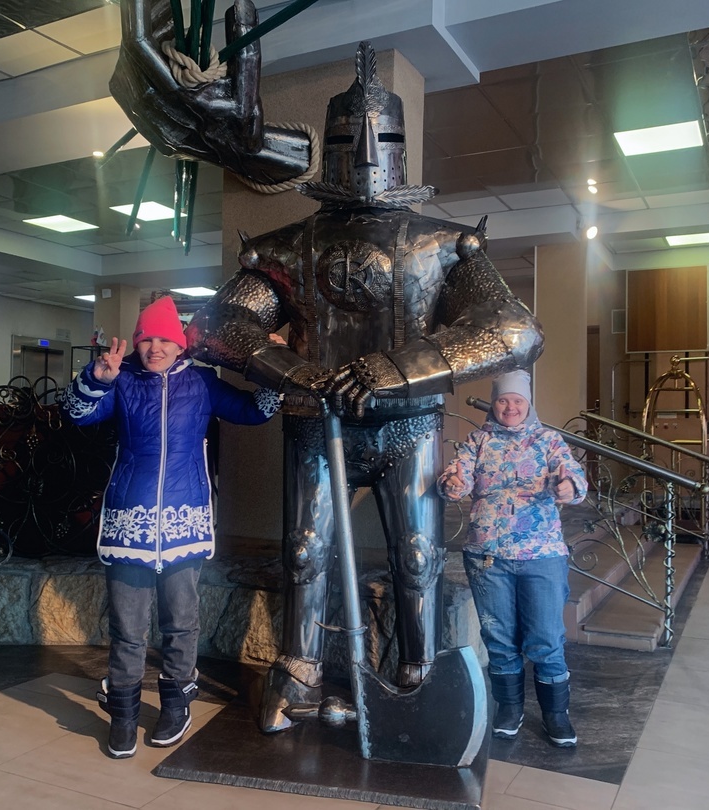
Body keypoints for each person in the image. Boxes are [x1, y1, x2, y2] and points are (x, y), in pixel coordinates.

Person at [111, 0, 544, 733]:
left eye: (383, 137)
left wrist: (400, 368)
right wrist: (294, 371)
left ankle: (417, 673)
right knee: (305, 552)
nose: (368, 152)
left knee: (416, 555)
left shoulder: (443, 245)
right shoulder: (288, 246)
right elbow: (221, 323)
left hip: (408, 423)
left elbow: (513, 329)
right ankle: (300, 669)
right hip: (317, 420)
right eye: (350, 137)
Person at [58, 296, 280, 759]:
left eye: (164, 339)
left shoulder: (202, 383)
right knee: (127, 627)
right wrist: (96, 379)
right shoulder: (122, 381)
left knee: (180, 623)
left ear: (180, 345)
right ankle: (123, 715)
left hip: (184, 520)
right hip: (129, 523)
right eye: (146, 340)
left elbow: (255, 410)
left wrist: (273, 366)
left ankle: (176, 706)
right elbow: (77, 413)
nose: (154, 348)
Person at [437, 370, 587, 747]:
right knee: (499, 638)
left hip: (541, 555)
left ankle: (556, 713)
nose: (510, 407)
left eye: (517, 400)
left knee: (546, 637)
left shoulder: (548, 440)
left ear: (528, 404)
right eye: (503, 400)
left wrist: (568, 486)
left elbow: (572, 473)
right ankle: (509, 707)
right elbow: (456, 476)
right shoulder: (478, 440)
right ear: (494, 403)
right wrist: (452, 484)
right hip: (488, 556)